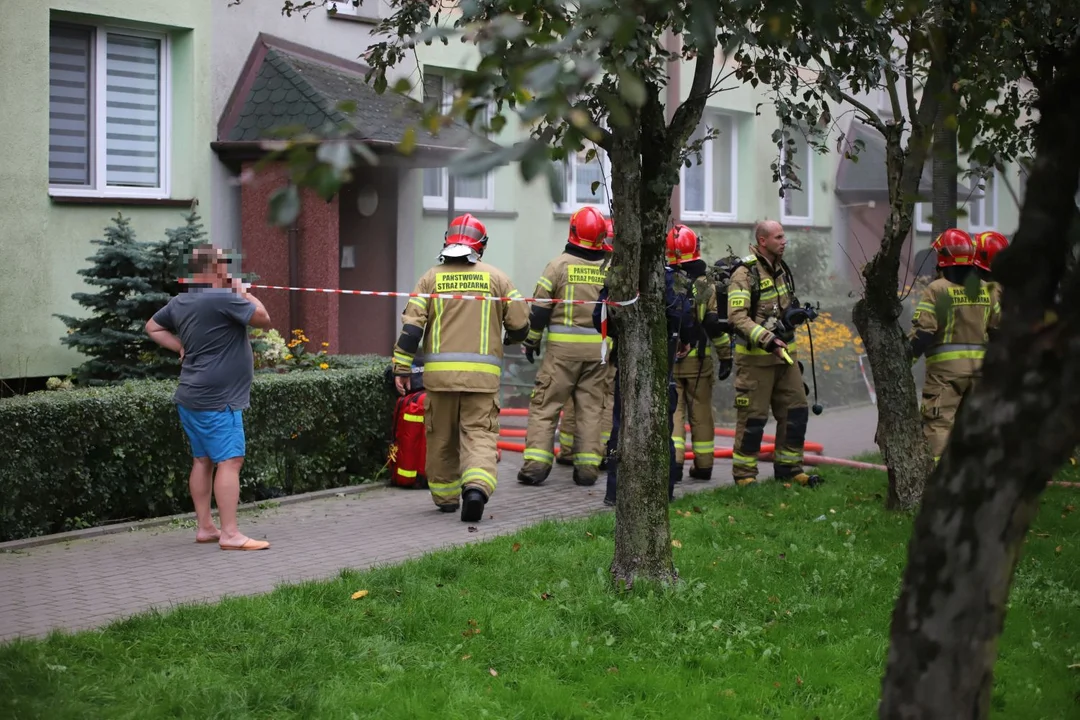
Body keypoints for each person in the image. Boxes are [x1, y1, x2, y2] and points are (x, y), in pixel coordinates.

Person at [391, 213, 529, 522]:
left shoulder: (430, 278)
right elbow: (521, 323)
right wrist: (511, 338)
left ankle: (445, 498)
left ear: (446, 240)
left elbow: (411, 331)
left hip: (439, 381)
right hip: (483, 381)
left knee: (441, 437)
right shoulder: (497, 278)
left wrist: (401, 368)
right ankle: (476, 489)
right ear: (482, 245)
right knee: (479, 435)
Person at [145, 244, 273, 551]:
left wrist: (178, 346)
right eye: (225, 267)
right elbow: (263, 318)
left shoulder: (182, 301)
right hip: (219, 400)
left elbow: (152, 326)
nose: (229, 272)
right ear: (213, 270)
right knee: (230, 461)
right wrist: (241, 290)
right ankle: (230, 534)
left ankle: (206, 527)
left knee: (202, 460)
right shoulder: (222, 297)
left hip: (191, 396)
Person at [518, 206, 611, 487]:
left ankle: (535, 467)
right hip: (598, 354)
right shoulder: (610, 268)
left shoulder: (558, 266)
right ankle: (587, 470)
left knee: (545, 406)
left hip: (561, 355)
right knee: (591, 409)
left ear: (572, 232)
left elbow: (540, 310)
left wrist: (531, 340)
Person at [594, 249, 696, 506]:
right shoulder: (670, 278)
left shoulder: (618, 278)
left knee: (621, 426)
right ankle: (664, 492)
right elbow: (682, 316)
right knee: (662, 428)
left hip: (628, 366)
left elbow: (599, 317)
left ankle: (615, 494)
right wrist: (683, 337)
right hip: (661, 366)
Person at [727, 220, 821, 489]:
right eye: (778, 237)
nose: (784, 241)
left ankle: (790, 470)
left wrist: (795, 315)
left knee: (796, 412)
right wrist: (768, 340)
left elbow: (778, 309)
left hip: (786, 358)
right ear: (762, 240)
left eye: (784, 236)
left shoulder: (780, 269)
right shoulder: (744, 274)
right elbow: (737, 319)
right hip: (757, 361)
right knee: (753, 419)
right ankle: (745, 476)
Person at [909, 228, 1000, 462]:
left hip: (945, 375)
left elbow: (924, 332)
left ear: (944, 257)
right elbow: (998, 329)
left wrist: (905, 360)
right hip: (979, 371)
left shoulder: (937, 290)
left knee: (938, 424)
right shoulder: (987, 289)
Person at [665, 225, 733, 482]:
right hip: (700, 361)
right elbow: (714, 326)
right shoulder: (706, 283)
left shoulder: (664, 279)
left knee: (674, 413)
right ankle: (704, 466)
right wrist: (726, 356)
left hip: (671, 359)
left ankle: (676, 464)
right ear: (696, 248)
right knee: (702, 413)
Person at [556, 217, 616, 469]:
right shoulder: (613, 268)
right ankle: (599, 452)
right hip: (605, 347)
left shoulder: (562, 264)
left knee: (572, 398)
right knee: (601, 400)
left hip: (566, 349)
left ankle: (568, 450)